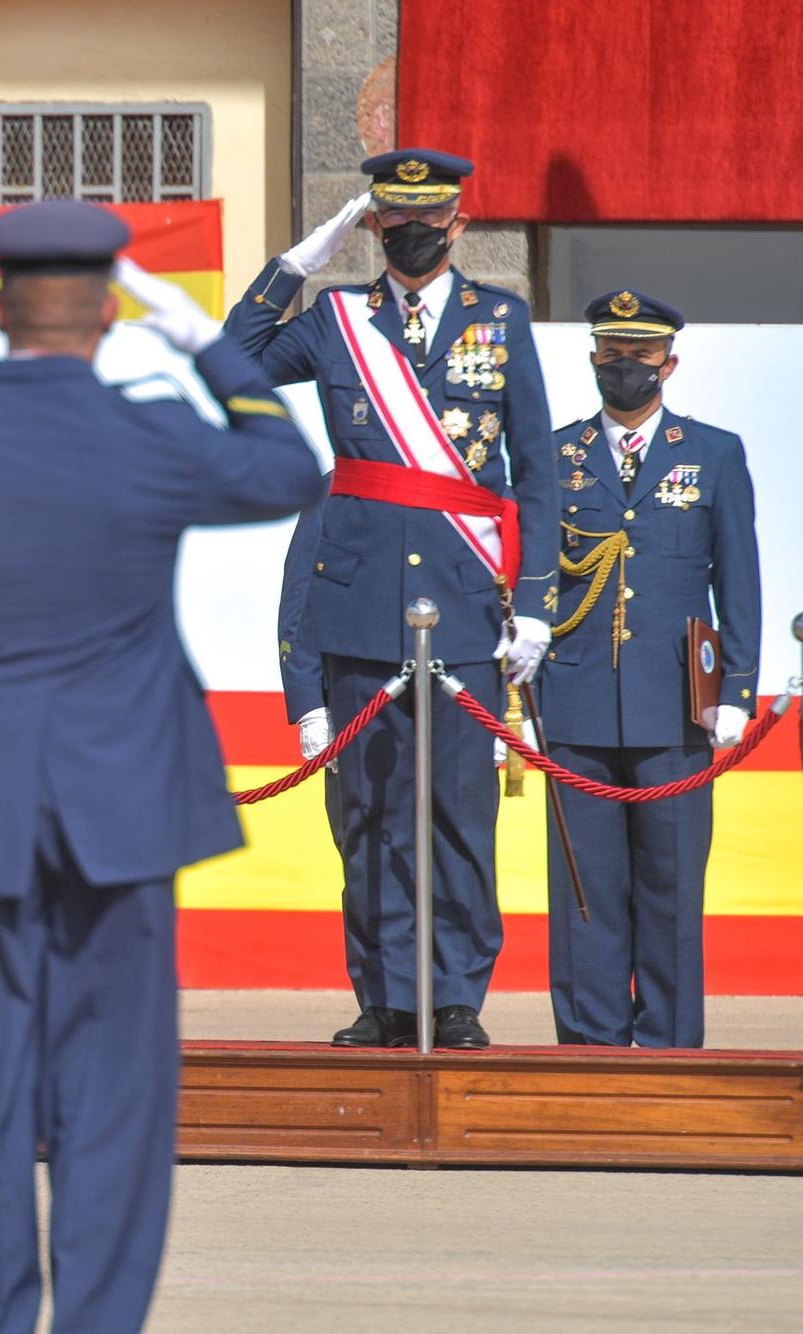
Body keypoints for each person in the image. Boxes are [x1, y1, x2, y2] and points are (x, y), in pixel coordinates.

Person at [0, 199, 322, 1333]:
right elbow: (289, 469)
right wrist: (203, 342)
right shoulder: (149, 433)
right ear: (104, 313)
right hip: (122, 812)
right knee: (113, 1106)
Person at [227, 149, 559, 1050]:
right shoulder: (338, 319)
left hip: (463, 602)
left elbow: (534, 470)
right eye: (393, 217)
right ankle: (381, 995)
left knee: (458, 811)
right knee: (367, 817)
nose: (413, 230)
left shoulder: (502, 320)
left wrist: (532, 605)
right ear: (373, 226)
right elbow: (228, 363)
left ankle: (454, 996)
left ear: (457, 223)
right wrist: (293, 266)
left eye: (429, 217)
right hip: (360, 600)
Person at [540, 291, 759, 1048]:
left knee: (669, 890)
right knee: (584, 891)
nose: (624, 368)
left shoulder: (713, 453)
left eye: (639, 356)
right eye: (611, 354)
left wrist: (736, 689)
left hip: (674, 704)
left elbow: (739, 580)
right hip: (575, 697)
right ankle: (591, 1048)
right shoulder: (555, 454)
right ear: (593, 357)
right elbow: (534, 571)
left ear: (670, 363)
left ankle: (669, 1050)